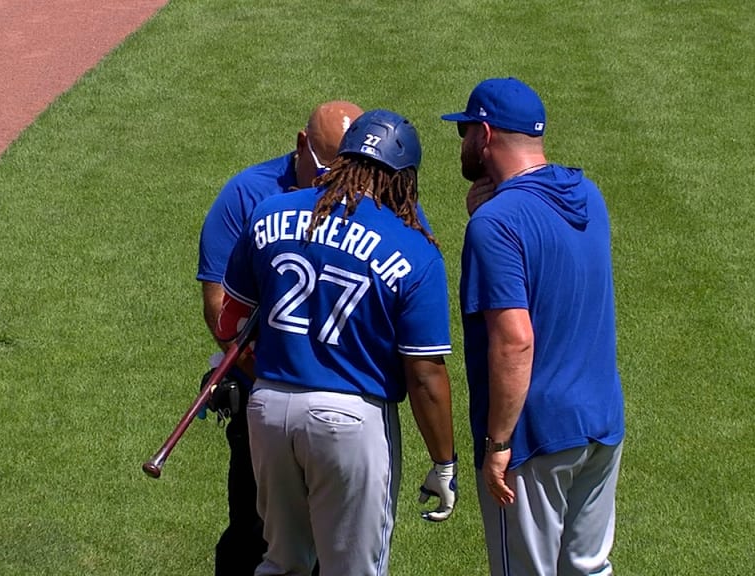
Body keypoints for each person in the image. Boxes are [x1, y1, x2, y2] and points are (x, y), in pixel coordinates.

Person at [214, 109, 458, 576]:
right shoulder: (415, 249)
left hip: (268, 408)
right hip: (351, 420)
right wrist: (443, 462)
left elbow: (230, 320)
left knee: (281, 562)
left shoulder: (269, 213)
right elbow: (425, 374)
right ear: (403, 179)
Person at [441, 77, 626, 576]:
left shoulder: (497, 224)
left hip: (534, 435)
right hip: (600, 424)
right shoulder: (587, 196)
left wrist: (498, 444)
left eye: (463, 134)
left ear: (484, 134)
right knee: (588, 567)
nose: (461, 145)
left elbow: (516, 340)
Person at [196, 100, 364, 575]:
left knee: (342, 547)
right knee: (257, 536)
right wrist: (289, 378)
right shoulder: (247, 195)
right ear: (301, 146)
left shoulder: (375, 196)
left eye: (353, 172)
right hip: (265, 406)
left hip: (347, 413)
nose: (341, 184)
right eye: (330, 168)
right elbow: (220, 313)